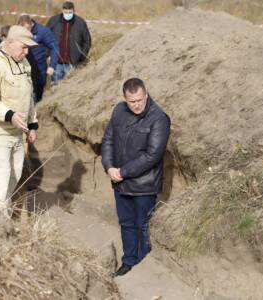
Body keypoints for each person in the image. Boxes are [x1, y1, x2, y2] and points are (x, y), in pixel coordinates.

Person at [101, 78, 171, 277]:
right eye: (132, 101)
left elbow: (152, 155)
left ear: (146, 95)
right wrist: (109, 166)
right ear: (125, 98)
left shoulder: (159, 118)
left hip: (145, 185)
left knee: (143, 224)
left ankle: (145, 263)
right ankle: (129, 260)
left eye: (140, 99)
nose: (137, 104)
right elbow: (108, 140)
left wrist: (122, 172)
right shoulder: (119, 111)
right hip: (120, 182)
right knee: (126, 223)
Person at [0, 25, 39, 217]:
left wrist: (32, 124)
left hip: (16, 132)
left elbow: (28, 96)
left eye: (29, 48)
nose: (27, 52)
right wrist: (9, 115)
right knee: (0, 180)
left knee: (13, 176)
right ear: (9, 43)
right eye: (23, 47)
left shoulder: (24, 63)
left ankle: (4, 216)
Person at [46, 1, 91, 83]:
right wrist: (48, 54)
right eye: (66, 12)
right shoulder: (53, 21)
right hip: (56, 63)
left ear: (74, 11)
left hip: (72, 64)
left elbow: (87, 42)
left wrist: (81, 57)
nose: (68, 14)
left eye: (70, 12)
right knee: (55, 89)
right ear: (62, 11)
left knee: (70, 89)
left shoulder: (80, 23)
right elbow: (46, 38)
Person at [18, 15, 59, 102]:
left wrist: (52, 66)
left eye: (26, 30)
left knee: (35, 99)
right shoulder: (17, 32)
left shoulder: (42, 31)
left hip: (39, 71)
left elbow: (54, 47)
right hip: (22, 71)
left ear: (31, 24)